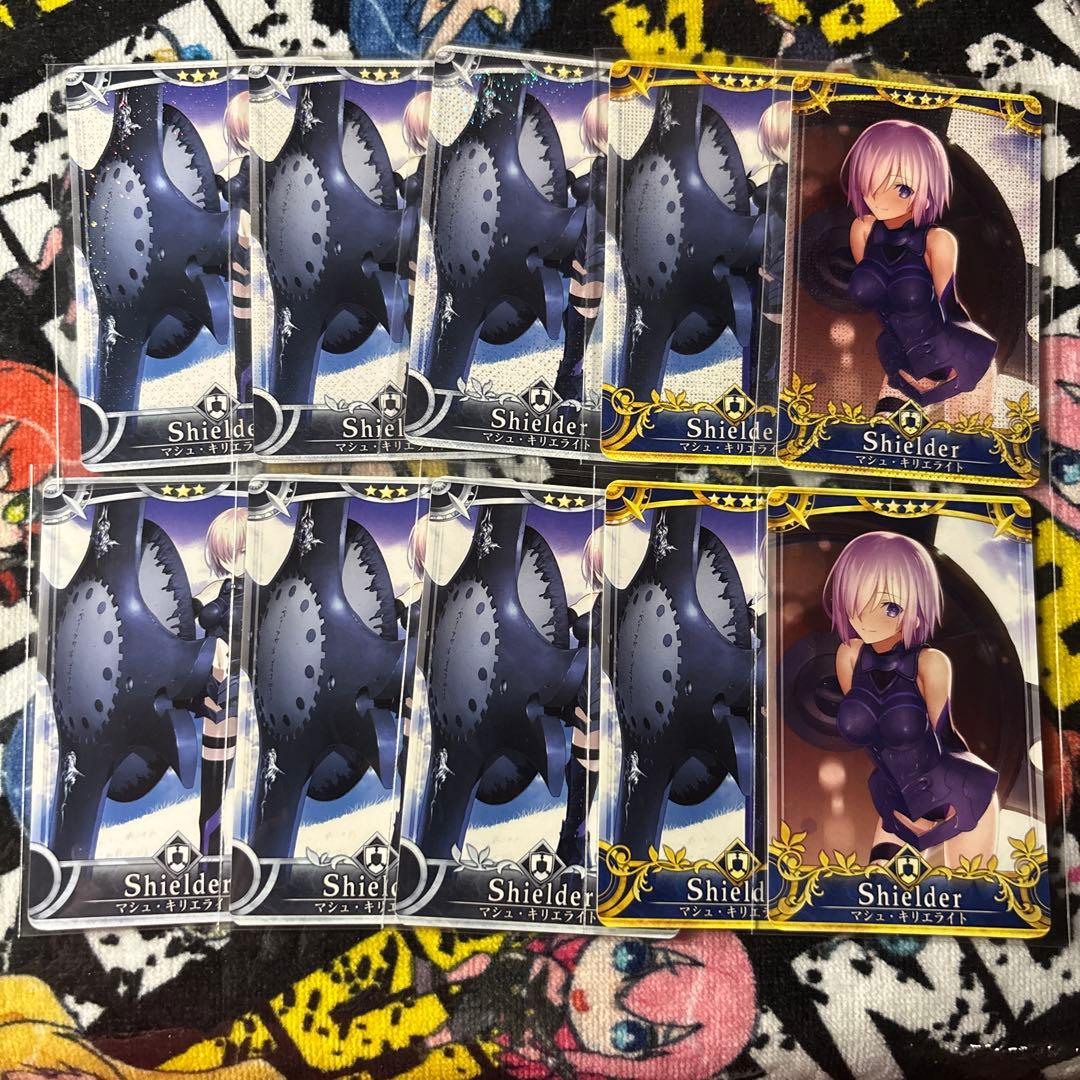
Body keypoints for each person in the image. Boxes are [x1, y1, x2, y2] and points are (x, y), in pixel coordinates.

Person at [824, 531, 999, 863]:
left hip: (957, 797)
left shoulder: (930, 663)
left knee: (969, 893)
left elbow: (946, 738)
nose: (867, 617)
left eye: (890, 607)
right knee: (878, 890)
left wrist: (949, 801)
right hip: (898, 802)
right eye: (856, 599)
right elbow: (874, 733)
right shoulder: (849, 656)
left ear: (916, 609)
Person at [843, 120, 997, 415]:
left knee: (964, 441)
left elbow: (951, 308)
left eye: (902, 188)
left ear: (926, 189)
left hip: (955, 362)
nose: (880, 196)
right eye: (871, 180)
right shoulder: (862, 229)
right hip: (902, 362)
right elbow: (882, 300)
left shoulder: (937, 241)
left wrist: (960, 364)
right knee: (883, 438)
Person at [192, 507, 246, 855]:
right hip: (214, 692)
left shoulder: (266, 591)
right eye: (230, 551)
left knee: (248, 778)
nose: (236, 559)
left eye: (243, 550)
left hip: (248, 690)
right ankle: (209, 858)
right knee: (213, 786)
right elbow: (181, 617)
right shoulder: (214, 589)